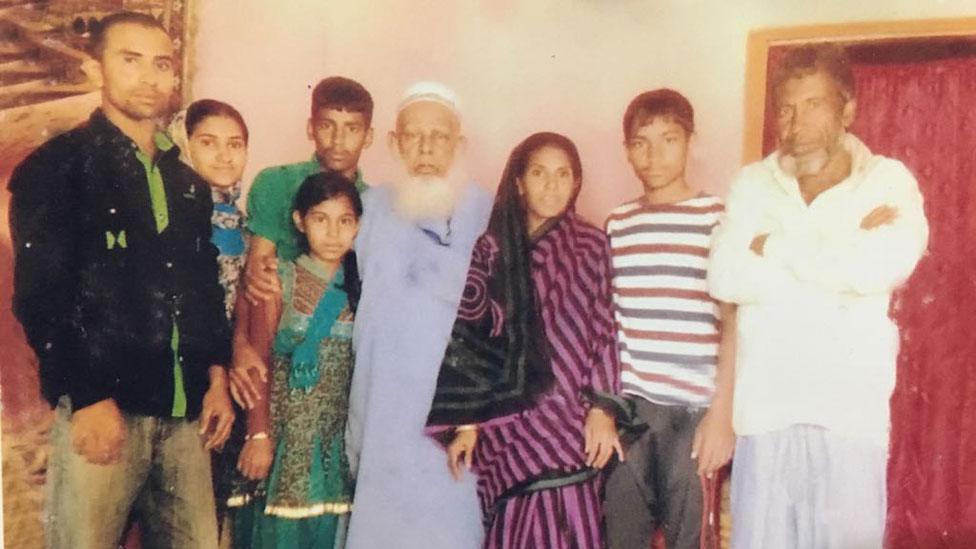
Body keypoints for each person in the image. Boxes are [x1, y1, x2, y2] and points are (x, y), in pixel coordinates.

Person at [9, 12, 233, 548]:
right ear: (95, 68)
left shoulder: (187, 183)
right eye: (129, 61)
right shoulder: (58, 167)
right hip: (105, 411)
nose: (148, 78)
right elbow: (41, 296)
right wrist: (86, 399)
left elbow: (202, 288)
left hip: (185, 417)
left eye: (160, 64)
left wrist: (218, 379)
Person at [708, 44, 929, 548]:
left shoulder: (887, 181)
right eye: (786, 107)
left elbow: (878, 266)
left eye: (813, 105)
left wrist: (771, 245)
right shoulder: (751, 185)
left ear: (847, 109)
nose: (796, 122)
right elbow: (723, 276)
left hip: (847, 419)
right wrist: (839, 251)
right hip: (764, 417)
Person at [428, 132, 623, 549]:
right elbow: (473, 335)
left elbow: (606, 328)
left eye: (562, 174)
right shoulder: (492, 249)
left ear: (576, 183)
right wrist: (467, 424)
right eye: (538, 173)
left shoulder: (591, 246)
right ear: (518, 182)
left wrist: (603, 409)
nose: (551, 185)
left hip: (570, 425)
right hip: (508, 428)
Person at [344, 81, 491, 548]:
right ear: (394, 142)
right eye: (413, 136)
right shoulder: (364, 211)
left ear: (459, 144)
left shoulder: (489, 212)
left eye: (440, 136)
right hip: (382, 412)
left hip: (454, 418)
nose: (426, 148)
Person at [602, 89, 735, 549]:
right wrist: (604, 409)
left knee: (689, 540)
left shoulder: (717, 218)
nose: (654, 155)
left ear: (690, 142)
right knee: (622, 536)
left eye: (669, 140)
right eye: (641, 143)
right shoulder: (618, 224)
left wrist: (721, 416)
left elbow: (734, 324)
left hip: (693, 415)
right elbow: (607, 323)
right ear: (627, 151)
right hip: (632, 412)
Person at [228, 172, 362, 548]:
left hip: (334, 449)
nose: (333, 232)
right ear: (300, 221)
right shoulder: (275, 278)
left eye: (345, 221)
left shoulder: (363, 288)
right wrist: (258, 435)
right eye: (321, 219)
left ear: (358, 226)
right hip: (282, 444)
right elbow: (258, 364)